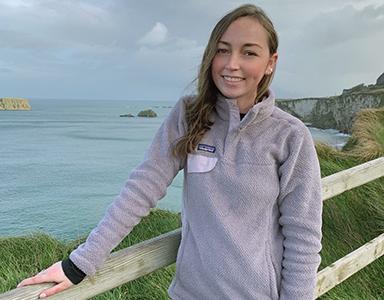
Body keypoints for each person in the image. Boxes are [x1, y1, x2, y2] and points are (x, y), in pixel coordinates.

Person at [17, 4, 323, 299]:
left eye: (249, 52)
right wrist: (79, 263)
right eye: (222, 49)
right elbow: (142, 188)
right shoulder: (189, 115)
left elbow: (303, 239)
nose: (231, 64)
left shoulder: (290, 137)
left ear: (271, 61)